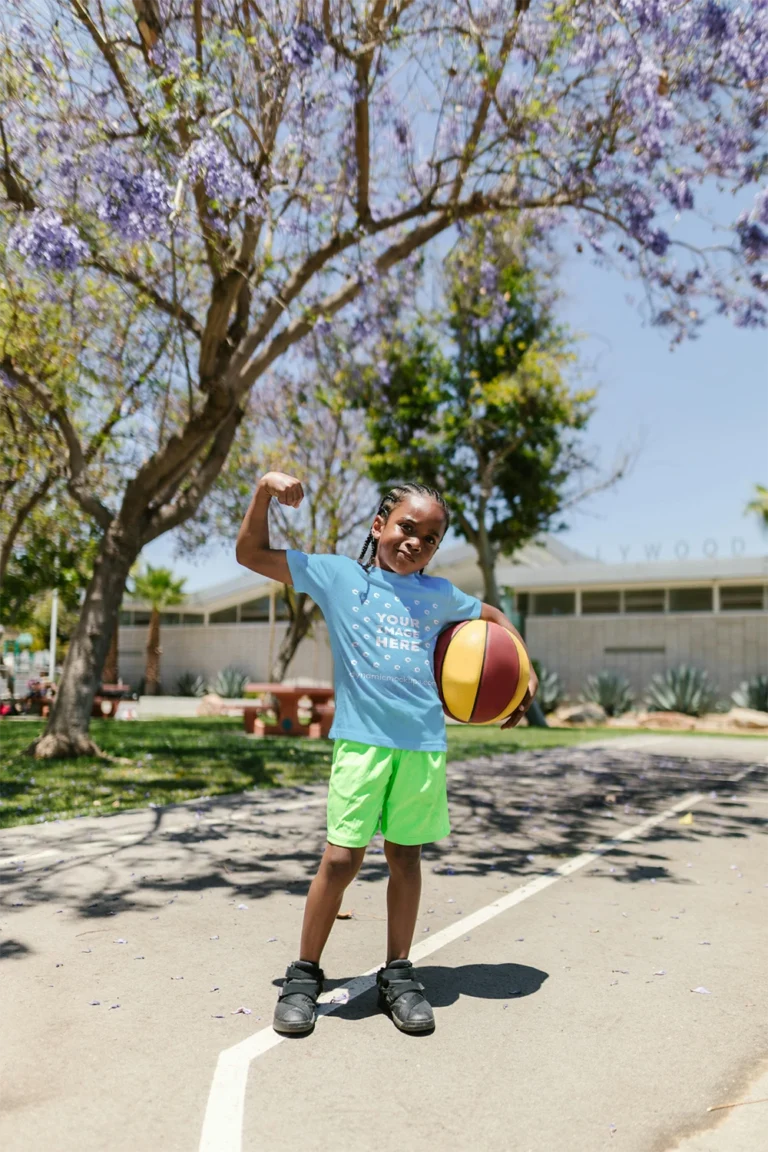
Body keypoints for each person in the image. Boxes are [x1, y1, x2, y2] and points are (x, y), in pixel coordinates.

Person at [236, 471, 538, 1036]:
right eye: (406, 527)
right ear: (379, 525)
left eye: (430, 537)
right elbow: (250, 552)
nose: (416, 543)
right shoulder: (339, 576)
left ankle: (397, 974)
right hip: (361, 745)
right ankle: (305, 975)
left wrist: (523, 673)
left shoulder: (442, 596)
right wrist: (262, 492)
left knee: (405, 858)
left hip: (422, 747)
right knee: (341, 860)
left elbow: (494, 619)